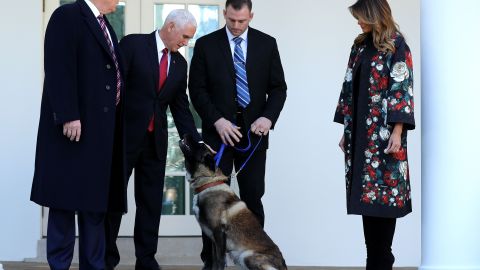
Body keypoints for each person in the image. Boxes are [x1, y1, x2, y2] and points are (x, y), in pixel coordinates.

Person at [188, 0, 287, 268]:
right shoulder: (206, 45)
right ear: (225, 14)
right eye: (231, 20)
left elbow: (278, 88)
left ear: (251, 16)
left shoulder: (267, 44)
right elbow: (196, 89)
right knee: (213, 205)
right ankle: (211, 263)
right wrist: (217, 121)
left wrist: (267, 117)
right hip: (217, 137)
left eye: (241, 21)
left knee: (252, 198)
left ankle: (254, 258)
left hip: (254, 139)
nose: (236, 26)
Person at [30, 0, 126, 269]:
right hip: (72, 132)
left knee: (94, 209)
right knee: (63, 205)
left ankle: (94, 266)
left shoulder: (106, 25)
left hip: (100, 134)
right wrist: (68, 114)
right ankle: (59, 266)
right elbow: (58, 68)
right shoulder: (68, 15)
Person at [104, 9, 202, 270]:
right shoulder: (134, 44)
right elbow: (113, 86)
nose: (186, 43)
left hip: (154, 143)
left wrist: (194, 143)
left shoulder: (180, 65)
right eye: (184, 36)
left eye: (189, 38)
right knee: (114, 202)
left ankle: (146, 260)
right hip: (123, 138)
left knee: (150, 205)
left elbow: (180, 108)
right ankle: (106, 258)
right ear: (170, 26)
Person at [334, 0, 415, 269]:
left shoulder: (396, 45)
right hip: (360, 138)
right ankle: (376, 260)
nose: (358, 22)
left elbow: (402, 88)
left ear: (373, 15)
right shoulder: (359, 45)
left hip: (386, 140)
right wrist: (346, 129)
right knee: (367, 204)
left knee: (384, 202)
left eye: (361, 17)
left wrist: (398, 130)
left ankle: (382, 260)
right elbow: (348, 85)